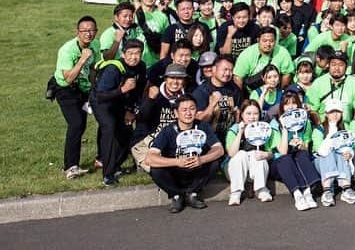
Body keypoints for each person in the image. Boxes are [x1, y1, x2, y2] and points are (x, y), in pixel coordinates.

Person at [145, 95, 225, 213]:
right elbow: (150, 158)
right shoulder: (168, 130)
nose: (188, 113)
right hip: (175, 170)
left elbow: (219, 149)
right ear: (176, 113)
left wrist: (202, 159)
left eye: (192, 108)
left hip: (197, 168)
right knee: (156, 170)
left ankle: (193, 193)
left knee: (215, 161)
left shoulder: (203, 127)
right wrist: (177, 162)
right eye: (184, 110)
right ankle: (176, 195)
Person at [90, 39, 147, 186]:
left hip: (120, 101)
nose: (134, 57)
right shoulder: (113, 70)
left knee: (126, 131)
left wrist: (130, 110)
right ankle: (107, 175)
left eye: (137, 53)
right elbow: (101, 95)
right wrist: (122, 89)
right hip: (102, 102)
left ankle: (116, 166)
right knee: (109, 129)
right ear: (123, 54)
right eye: (130, 53)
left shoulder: (141, 67)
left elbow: (139, 91)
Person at [52, 16, 100, 179]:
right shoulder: (67, 50)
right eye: (84, 30)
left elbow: (93, 69)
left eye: (92, 30)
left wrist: (93, 88)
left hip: (83, 88)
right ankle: (70, 167)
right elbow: (68, 78)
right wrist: (82, 60)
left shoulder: (96, 44)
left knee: (81, 124)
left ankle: (96, 159)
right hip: (65, 89)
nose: (89, 34)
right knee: (76, 124)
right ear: (77, 32)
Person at [225, 100, 277, 205]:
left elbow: (271, 152)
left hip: (255, 170)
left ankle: (261, 189)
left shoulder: (264, 129)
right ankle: (236, 192)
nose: (252, 117)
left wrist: (266, 155)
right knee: (241, 154)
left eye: (255, 114)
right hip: (236, 169)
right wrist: (240, 132)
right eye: (248, 114)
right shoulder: (234, 129)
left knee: (257, 154)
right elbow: (231, 153)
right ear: (242, 114)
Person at [311, 99, 355, 207]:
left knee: (342, 152)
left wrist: (349, 153)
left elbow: (352, 145)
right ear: (326, 114)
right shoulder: (319, 129)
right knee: (328, 152)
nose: (335, 115)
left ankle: (346, 188)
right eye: (332, 112)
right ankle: (327, 190)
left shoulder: (346, 127)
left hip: (339, 162)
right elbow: (321, 151)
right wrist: (332, 130)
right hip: (321, 162)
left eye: (338, 111)